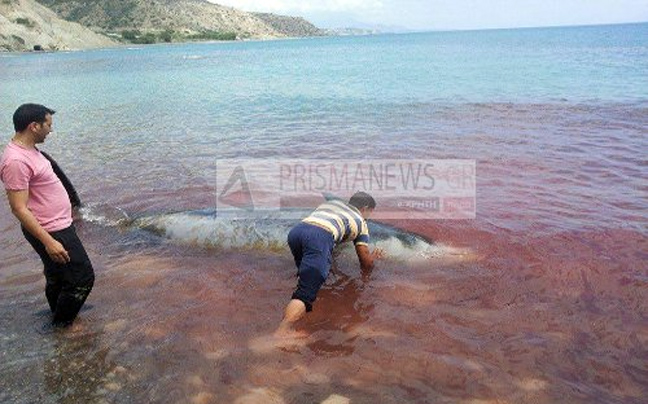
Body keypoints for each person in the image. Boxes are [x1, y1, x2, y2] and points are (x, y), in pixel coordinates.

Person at [0, 103, 94, 328]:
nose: (50, 130)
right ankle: (63, 325)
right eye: (48, 125)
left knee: (58, 276)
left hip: (57, 225)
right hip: (51, 229)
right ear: (34, 126)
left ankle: (58, 314)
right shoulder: (15, 161)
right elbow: (18, 208)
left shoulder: (29, 150)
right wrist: (49, 241)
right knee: (83, 278)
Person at [276, 191, 384, 337]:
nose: (368, 217)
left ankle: (302, 300)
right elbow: (365, 262)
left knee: (306, 277)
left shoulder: (331, 204)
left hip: (297, 232)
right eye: (370, 212)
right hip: (319, 237)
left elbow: (330, 226)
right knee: (306, 292)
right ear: (365, 208)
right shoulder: (361, 223)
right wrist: (373, 258)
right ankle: (283, 331)